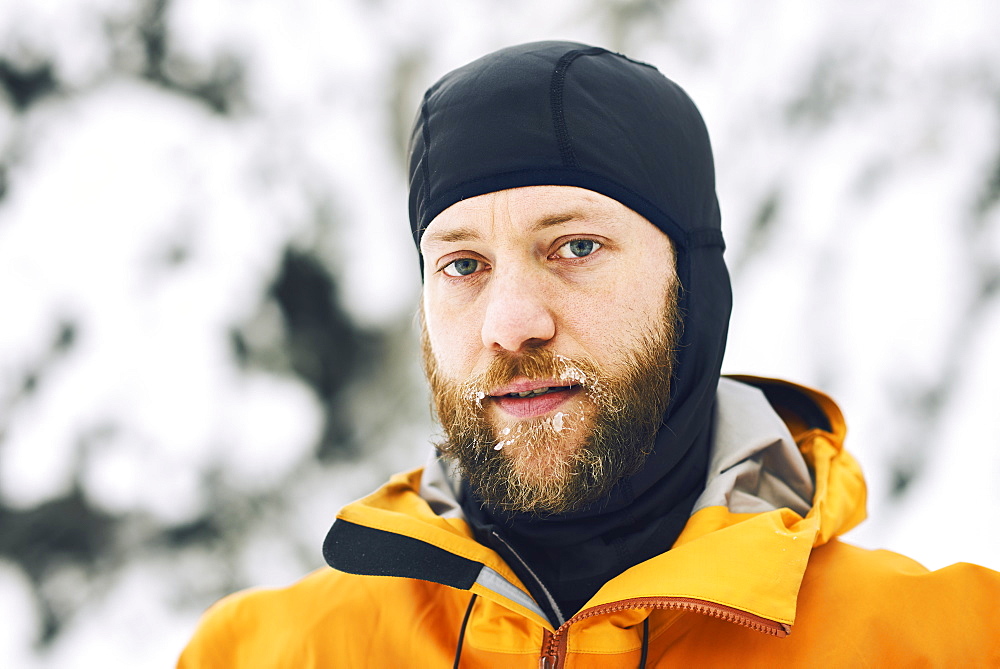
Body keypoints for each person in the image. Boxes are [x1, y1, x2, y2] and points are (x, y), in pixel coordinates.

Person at [178, 41, 1000, 667]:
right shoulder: (262, 651)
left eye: (574, 247)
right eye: (462, 265)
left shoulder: (949, 641)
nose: (511, 322)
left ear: (694, 284)